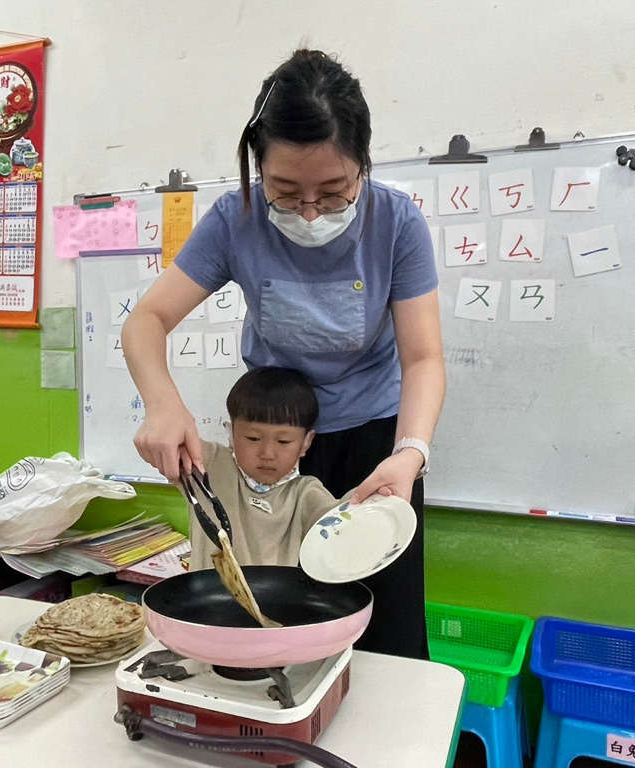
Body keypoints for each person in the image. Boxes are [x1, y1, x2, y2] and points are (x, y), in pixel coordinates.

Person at [122, 49, 445, 659]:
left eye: (334, 192)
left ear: (363, 165)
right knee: (277, 610)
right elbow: (147, 320)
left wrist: (411, 453)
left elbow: (423, 358)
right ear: (257, 166)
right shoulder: (235, 219)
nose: (310, 212)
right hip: (277, 445)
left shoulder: (396, 223)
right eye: (286, 192)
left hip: (378, 448)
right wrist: (161, 404)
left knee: (387, 625)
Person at [183, 367, 346, 572]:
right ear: (231, 433)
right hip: (205, 592)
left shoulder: (305, 493)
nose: (268, 453)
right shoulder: (209, 465)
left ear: (306, 442)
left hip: (275, 594)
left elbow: (343, 520)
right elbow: (170, 443)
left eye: (283, 441)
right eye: (253, 438)